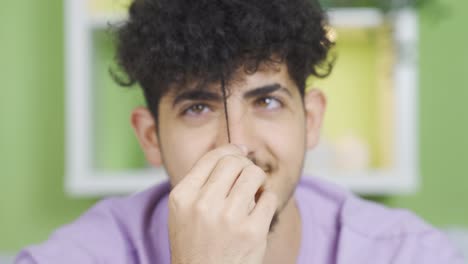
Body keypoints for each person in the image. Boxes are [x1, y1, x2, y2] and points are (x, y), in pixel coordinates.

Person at [16, 0, 464, 263]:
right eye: (197, 107)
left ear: (310, 120)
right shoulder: (80, 255)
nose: (238, 145)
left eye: (267, 101)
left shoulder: (407, 254)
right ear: (150, 136)